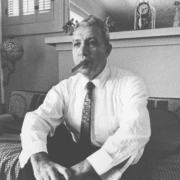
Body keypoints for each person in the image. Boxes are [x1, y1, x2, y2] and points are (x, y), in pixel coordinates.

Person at [19, 15, 151, 180]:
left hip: (118, 154)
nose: (82, 51)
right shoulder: (64, 88)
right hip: (79, 150)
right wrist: (40, 160)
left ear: (107, 50)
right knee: (31, 157)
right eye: (77, 44)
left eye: (92, 42)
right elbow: (36, 119)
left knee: (132, 154)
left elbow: (134, 131)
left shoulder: (131, 83)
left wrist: (79, 170)